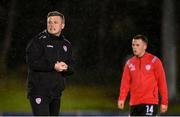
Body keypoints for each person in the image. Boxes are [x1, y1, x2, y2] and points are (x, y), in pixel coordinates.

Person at [26, 11, 74, 116]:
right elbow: (32, 63)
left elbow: (72, 67)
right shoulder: (38, 41)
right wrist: (53, 66)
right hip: (39, 91)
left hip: (56, 93)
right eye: (49, 22)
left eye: (55, 22)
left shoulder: (66, 44)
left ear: (62, 25)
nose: (51, 25)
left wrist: (66, 68)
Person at [118, 34, 168, 116]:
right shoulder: (129, 63)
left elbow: (162, 82)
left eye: (137, 45)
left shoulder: (155, 61)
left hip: (150, 102)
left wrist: (164, 102)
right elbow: (125, 83)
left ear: (145, 46)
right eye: (133, 45)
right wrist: (122, 98)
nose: (134, 47)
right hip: (134, 103)